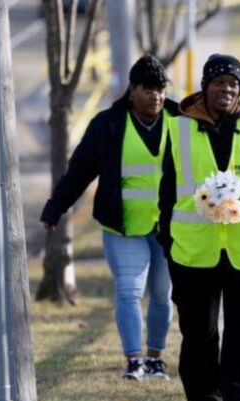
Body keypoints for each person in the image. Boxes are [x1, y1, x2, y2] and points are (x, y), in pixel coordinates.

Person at [157, 54, 240, 401]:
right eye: (219, 82)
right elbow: (166, 192)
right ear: (206, 86)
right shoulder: (178, 130)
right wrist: (168, 241)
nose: (226, 89)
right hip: (193, 252)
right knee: (200, 336)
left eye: (233, 83)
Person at [40, 54, 177, 381]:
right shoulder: (108, 124)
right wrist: (56, 206)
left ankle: (155, 357)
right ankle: (134, 360)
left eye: (160, 89)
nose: (156, 96)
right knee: (129, 291)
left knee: (161, 293)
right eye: (148, 89)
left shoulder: (180, 118)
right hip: (123, 226)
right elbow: (80, 171)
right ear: (132, 90)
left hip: (170, 228)